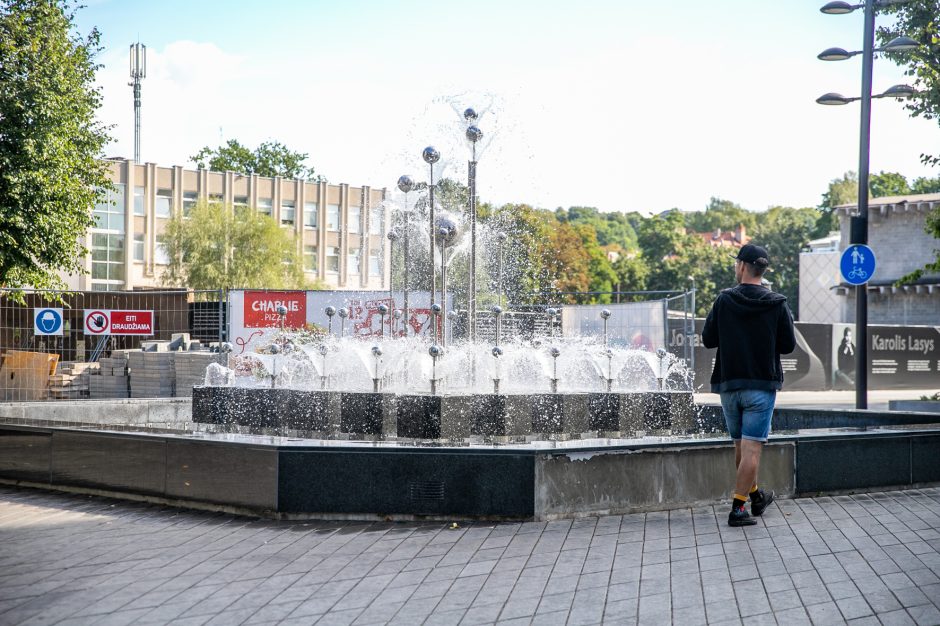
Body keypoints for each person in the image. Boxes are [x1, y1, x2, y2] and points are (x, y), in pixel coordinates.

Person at [702, 243, 796, 527]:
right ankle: (738, 508)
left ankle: (755, 496)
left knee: (741, 449)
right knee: (752, 450)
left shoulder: (724, 300)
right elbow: (788, 345)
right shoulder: (777, 303)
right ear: (762, 270)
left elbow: (708, 339)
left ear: (742, 266)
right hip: (761, 386)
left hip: (729, 386)